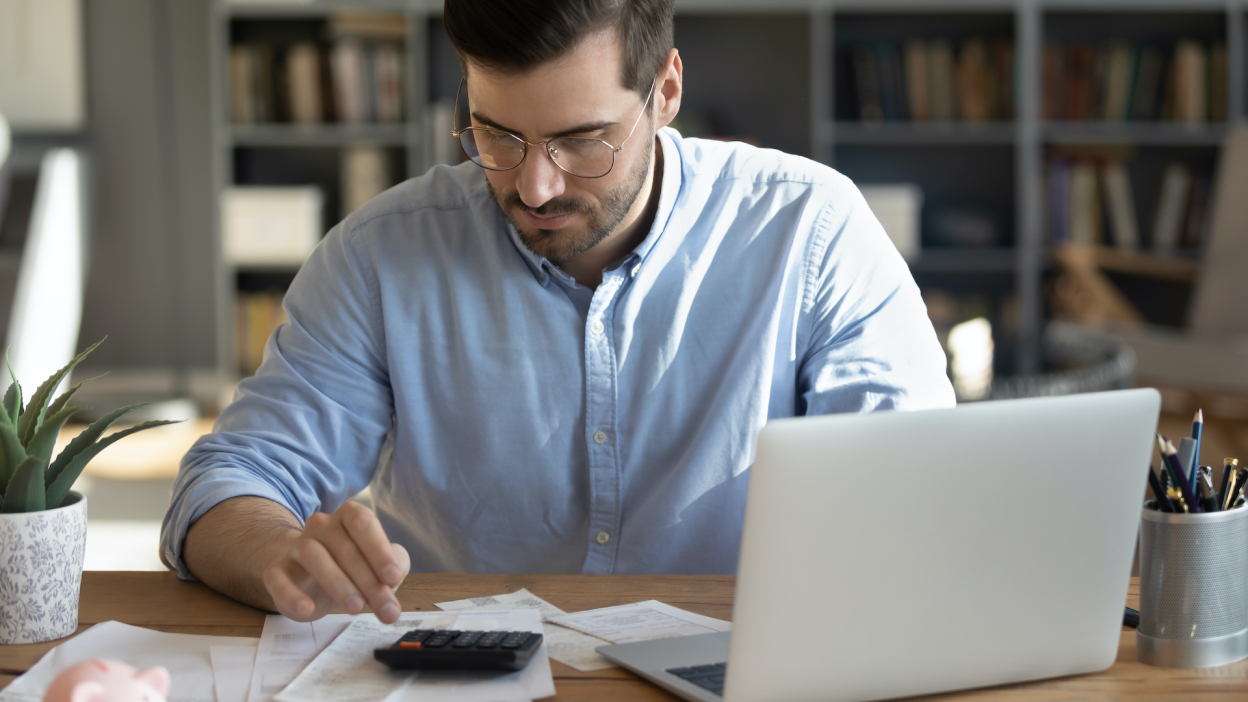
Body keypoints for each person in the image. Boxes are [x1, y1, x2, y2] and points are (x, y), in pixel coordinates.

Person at [161, 0, 955, 624]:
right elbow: (225, 482)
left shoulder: (811, 232)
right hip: (456, 678)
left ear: (667, 91)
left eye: (583, 141)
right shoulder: (381, 255)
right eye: (496, 135)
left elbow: (918, 491)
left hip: (733, 670)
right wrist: (283, 553)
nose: (534, 187)